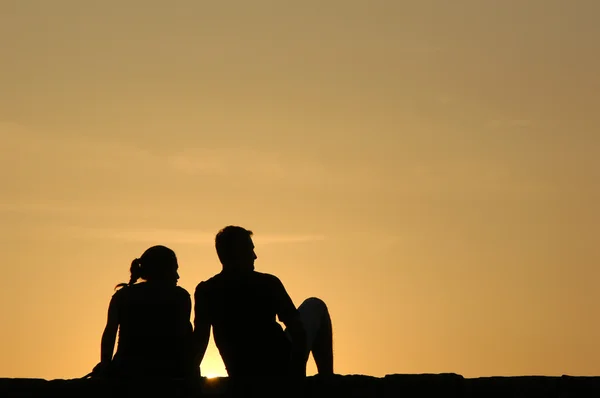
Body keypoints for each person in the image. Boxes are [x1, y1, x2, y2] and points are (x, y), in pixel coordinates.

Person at [192, 226, 334, 389]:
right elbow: (297, 330)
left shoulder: (206, 290)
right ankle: (327, 380)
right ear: (238, 253)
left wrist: (192, 375)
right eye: (250, 250)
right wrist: (297, 375)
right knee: (316, 304)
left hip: (239, 370)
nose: (255, 256)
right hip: (280, 366)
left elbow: (200, 339)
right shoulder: (268, 283)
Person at [92, 245, 193, 380]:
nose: (177, 276)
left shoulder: (122, 296)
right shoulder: (180, 296)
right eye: (174, 270)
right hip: (167, 374)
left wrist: (105, 367)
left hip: (126, 372)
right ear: (161, 270)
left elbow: (109, 334)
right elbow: (184, 338)